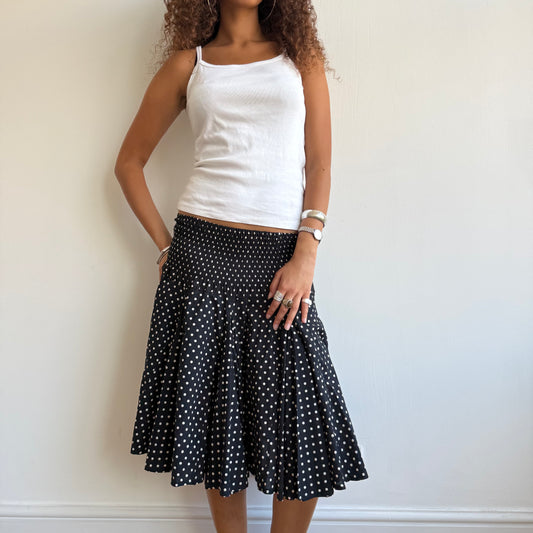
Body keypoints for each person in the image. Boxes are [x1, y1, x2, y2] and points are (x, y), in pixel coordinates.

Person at [114, 0, 369, 531]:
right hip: (201, 253)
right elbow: (128, 164)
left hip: (280, 257)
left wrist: (307, 251)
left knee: (303, 418)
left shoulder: (300, 56)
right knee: (217, 418)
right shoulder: (189, 63)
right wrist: (165, 248)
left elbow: (320, 162)